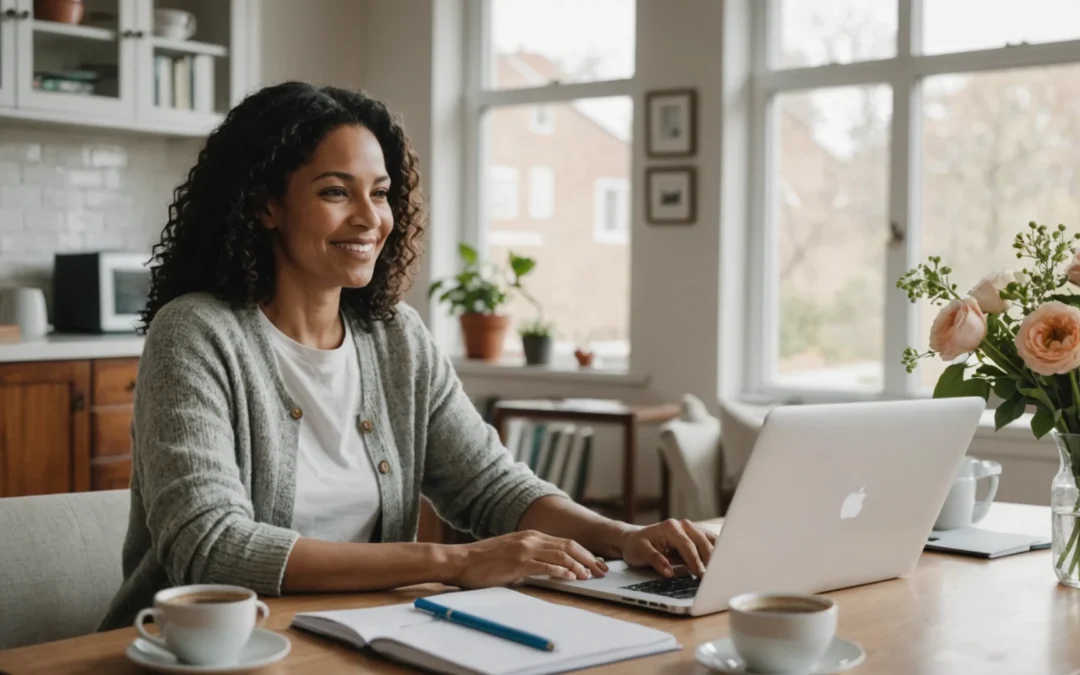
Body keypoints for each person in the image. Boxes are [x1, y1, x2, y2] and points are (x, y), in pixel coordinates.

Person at [99, 82, 715, 630]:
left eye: (382, 192)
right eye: (337, 191)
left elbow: (492, 487)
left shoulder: (397, 338)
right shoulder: (196, 334)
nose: (370, 218)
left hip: (361, 641)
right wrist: (456, 562)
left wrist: (625, 538)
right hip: (201, 654)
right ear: (265, 206)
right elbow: (212, 547)